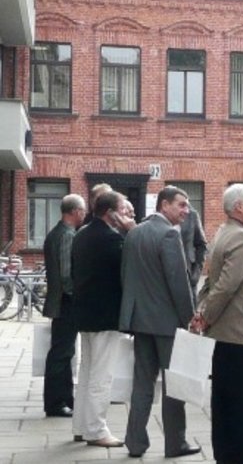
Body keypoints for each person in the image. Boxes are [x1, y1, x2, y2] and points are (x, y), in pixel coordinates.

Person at [191, 184, 243, 464]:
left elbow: (213, 281)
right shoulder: (241, 237)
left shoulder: (224, 231)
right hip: (239, 331)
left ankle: (227, 452)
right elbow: (226, 286)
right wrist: (206, 315)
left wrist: (202, 309)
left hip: (226, 329)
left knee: (225, 396)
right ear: (238, 207)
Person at [118, 186, 200, 458]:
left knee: (142, 384)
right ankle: (175, 443)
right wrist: (190, 317)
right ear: (164, 205)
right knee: (174, 384)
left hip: (140, 322)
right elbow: (179, 283)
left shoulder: (135, 233)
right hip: (166, 324)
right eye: (181, 205)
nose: (186, 211)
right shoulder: (168, 234)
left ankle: (135, 443)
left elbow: (126, 277)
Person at [71, 190, 133, 448]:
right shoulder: (111, 239)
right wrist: (132, 230)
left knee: (86, 373)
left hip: (85, 313)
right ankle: (96, 430)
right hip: (105, 314)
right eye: (124, 210)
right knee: (101, 376)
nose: (129, 215)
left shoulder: (82, 234)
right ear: (111, 213)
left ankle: (81, 425)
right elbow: (131, 263)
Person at [42, 193, 86, 419]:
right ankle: (56, 403)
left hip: (59, 301)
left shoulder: (55, 233)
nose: (84, 214)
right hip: (65, 303)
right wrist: (77, 296)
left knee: (63, 352)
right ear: (75, 212)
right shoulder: (67, 235)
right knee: (61, 353)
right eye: (83, 211)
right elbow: (68, 274)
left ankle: (65, 399)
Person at [179, 203, 207, 297]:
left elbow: (201, 245)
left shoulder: (192, 215)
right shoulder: (159, 218)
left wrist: (196, 273)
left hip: (188, 273)